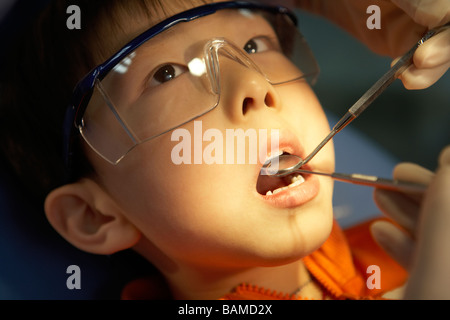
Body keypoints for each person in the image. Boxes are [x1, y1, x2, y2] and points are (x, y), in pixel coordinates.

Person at [0, 0, 448, 300]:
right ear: (96, 216)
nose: (255, 83)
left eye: (256, 45)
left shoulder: (397, 251)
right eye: (166, 74)